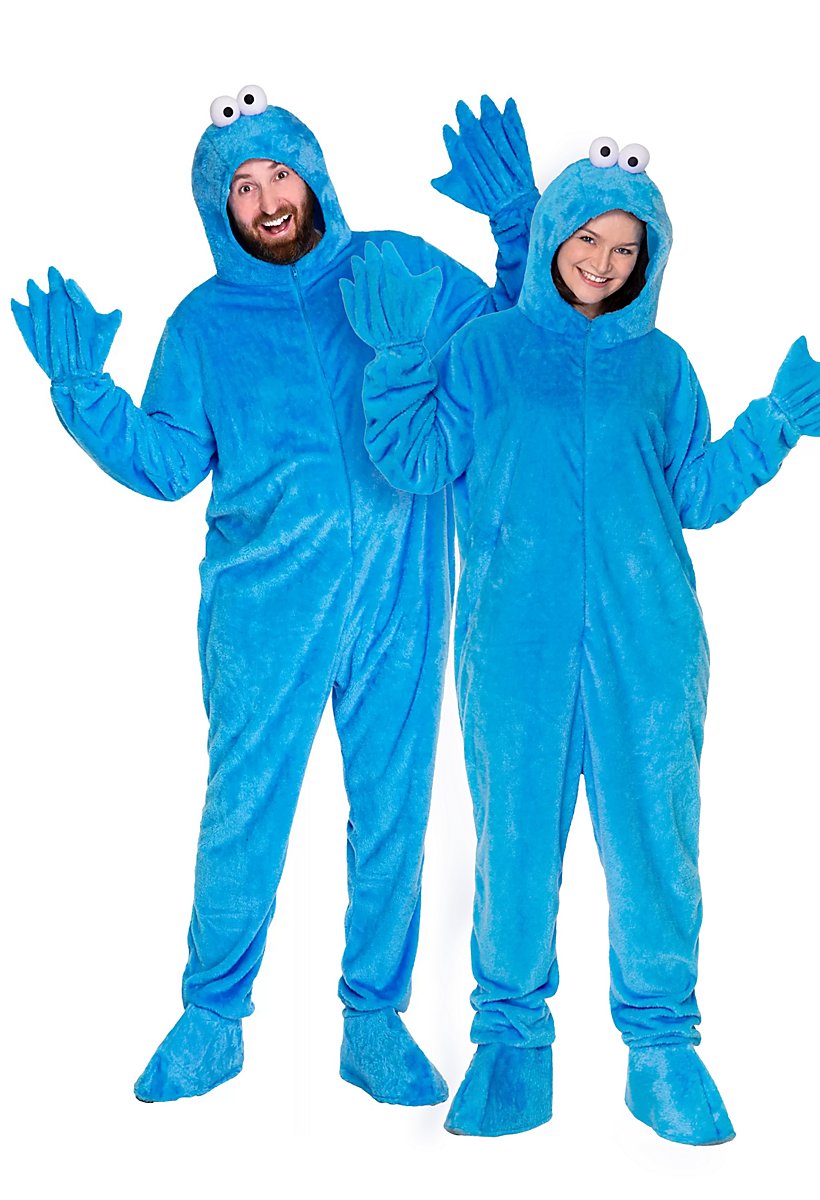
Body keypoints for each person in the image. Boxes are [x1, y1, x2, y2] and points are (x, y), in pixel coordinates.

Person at [11, 85, 539, 1106]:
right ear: (219, 207)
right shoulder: (204, 324)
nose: (266, 200)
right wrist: (84, 394)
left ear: (314, 176)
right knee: (244, 812)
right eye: (242, 187)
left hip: (401, 598)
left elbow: (506, 349)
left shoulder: (393, 267)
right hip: (263, 613)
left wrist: (517, 227)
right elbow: (169, 462)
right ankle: (213, 1017)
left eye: (279, 174)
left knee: (393, 811)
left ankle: (372, 1022)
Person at [340, 136, 820, 1141]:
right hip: (512, 649)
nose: (603, 262)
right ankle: (510, 1042)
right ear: (553, 235)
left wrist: (772, 424)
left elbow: (694, 494)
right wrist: (400, 362)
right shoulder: (488, 350)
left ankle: (662, 1048)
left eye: (627, 249)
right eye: (587, 239)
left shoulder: (662, 367)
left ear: (649, 259)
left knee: (654, 846)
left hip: (651, 647)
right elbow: (415, 458)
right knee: (512, 843)